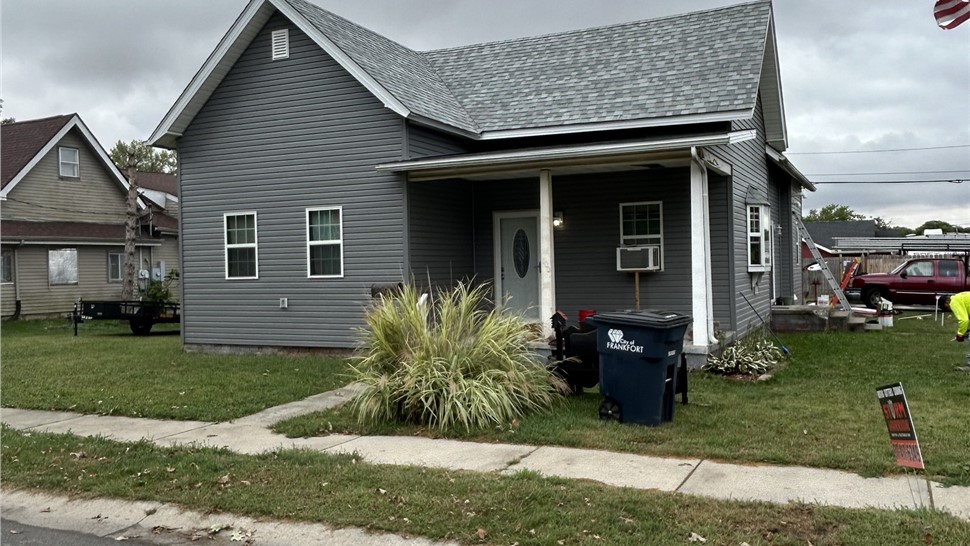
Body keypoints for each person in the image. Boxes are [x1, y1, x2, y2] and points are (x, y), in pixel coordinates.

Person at [941, 292, 970, 370]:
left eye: (945, 307)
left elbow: (964, 320)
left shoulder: (954, 302)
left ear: (946, 302)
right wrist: (967, 330)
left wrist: (960, 335)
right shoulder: (959, 297)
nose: (948, 309)